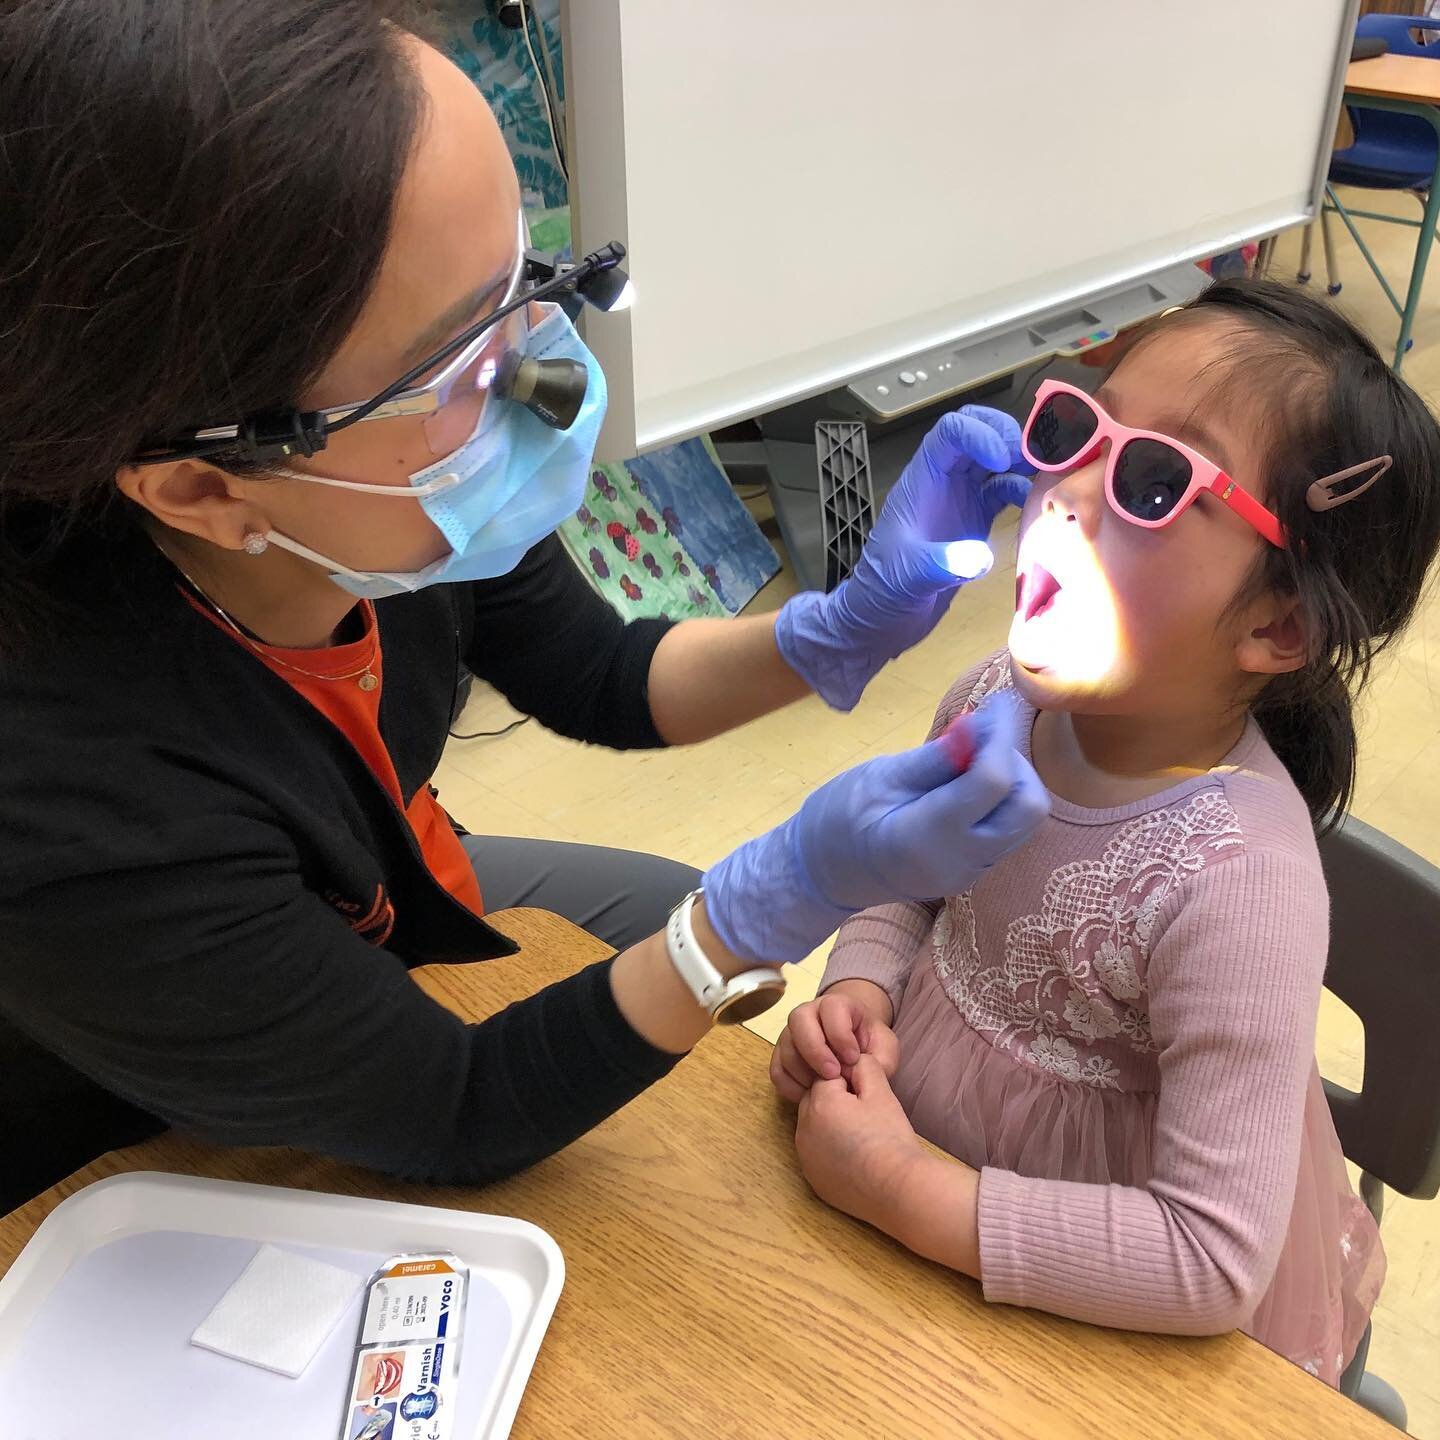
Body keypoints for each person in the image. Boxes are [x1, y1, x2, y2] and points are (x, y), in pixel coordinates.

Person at [0, 1, 1047, 1210]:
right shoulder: (73, 801)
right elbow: (460, 1110)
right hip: (112, 1141)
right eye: (458, 365)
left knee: (665, 918)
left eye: (530, 284)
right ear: (198, 486)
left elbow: (600, 676)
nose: (545, 385)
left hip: (363, 882)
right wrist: (773, 898)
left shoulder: (379, 509)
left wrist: (843, 626)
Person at [771, 279, 1440, 1384]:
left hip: (1092, 1316)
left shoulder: (1239, 886)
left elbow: (1210, 1258)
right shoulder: (996, 699)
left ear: (1280, 624)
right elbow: (910, 880)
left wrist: (900, 1185)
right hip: (907, 1217)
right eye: (1082, 426)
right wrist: (863, 986)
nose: (1068, 489)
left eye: (1154, 479)